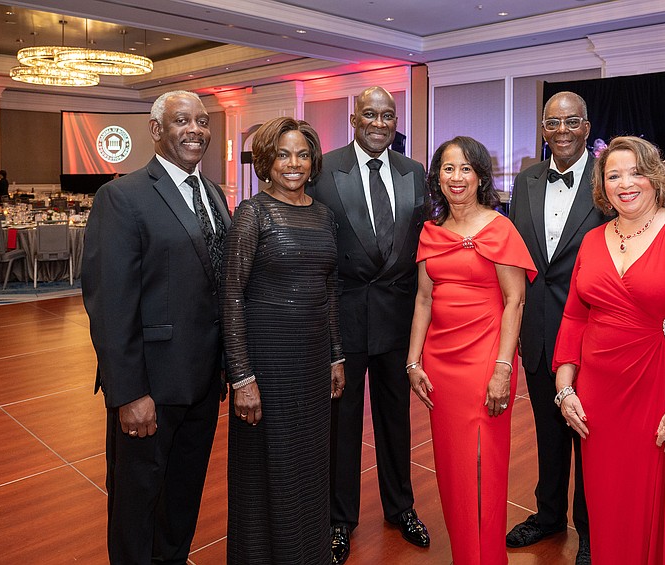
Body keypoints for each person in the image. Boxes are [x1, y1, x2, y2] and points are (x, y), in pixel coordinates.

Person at [554, 136, 665, 564]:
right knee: (608, 500)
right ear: (603, 186)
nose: (625, 183)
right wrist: (564, 387)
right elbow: (575, 317)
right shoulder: (593, 240)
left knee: (657, 503)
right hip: (597, 398)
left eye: (635, 172)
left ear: (656, 177)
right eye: (613, 175)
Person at [81, 90, 231, 564]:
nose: (196, 130)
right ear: (156, 130)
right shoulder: (121, 196)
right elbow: (109, 304)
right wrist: (128, 394)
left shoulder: (213, 194)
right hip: (151, 386)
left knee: (183, 497)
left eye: (203, 122)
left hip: (204, 382)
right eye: (182, 121)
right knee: (136, 501)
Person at [308, 86, 429, 564]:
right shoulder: (324, 170)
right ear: (354, 117)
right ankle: (339, 519)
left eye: (388, 116)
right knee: (342, 425)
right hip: (342, 320)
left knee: (396, 420)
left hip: (398, 320)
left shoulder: (414, 172)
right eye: (370, 115)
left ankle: (401, 507)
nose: (380, 123)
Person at [220, 117, 345, 564]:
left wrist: (336, 356)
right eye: (283, 155)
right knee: (265, 471)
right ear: (267, 162)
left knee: (310, 467)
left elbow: (330, 290)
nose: (293, 164)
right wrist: (241, 377)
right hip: (266, 366)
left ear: (313, 162)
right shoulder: (253, 214)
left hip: (312, 364)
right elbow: (232, 294)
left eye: (302, 154)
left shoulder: (323, 214)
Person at [406, 136, 536, 565]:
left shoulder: (500, 229)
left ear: (480, 175)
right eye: (447, 168)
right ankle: (466, 554)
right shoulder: (431, 233)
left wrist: (503, 367)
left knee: (485, 463)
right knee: (453, 466)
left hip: (487, 357)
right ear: (437, 177)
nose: (456, 177)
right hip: (441, 362)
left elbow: (514, 301)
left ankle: (488, 558)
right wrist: (413, 361)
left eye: (465, 168)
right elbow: (424, 299)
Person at [507, 91, 607, 564]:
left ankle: (590, 531)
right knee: (548, 433)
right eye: (553, 122)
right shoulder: (526, 179)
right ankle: (549, 517)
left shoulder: (606, 181)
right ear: (543, 130)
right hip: (539, 329)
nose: (562, 130)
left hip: (592, 332)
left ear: (587, 127)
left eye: (572, 122)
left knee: (589, 437)